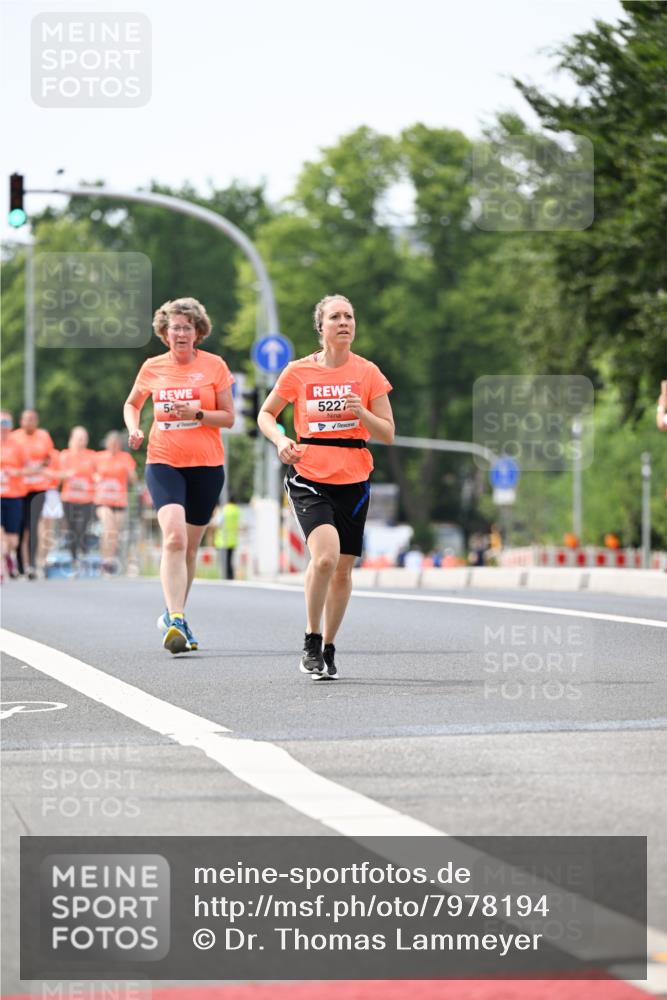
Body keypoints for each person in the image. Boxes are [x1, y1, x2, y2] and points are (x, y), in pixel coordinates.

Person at [258, 293, 394, 680]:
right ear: (321, 328)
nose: (344, 322)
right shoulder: (298, 372)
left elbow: (387, 433)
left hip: (354, 477)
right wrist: (281, 441)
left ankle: (330, 646)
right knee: (324, 558)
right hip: (309, 474)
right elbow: (267, 415)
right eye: (335, 317)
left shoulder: (368, 372)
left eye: (349, 316)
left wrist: (361, 411)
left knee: (343, 571)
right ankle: (311, 639)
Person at [123, 297, 235, 654]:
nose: (181, 332)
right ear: (164, 332)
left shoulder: (214, 366)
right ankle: (177, 618)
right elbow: (132, 403)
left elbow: (229, 417)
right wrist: (134, 428)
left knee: (189, 547)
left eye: (187, 326)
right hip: (163, 461)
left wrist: (199, 413)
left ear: (197, 331)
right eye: (174, 326)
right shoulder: (152, 367)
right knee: (173, 539)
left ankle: (174, 613)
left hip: (206, 465)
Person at [10, 409, 56, 579]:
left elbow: (49, 456)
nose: (30, 422)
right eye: (27, 419)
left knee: (33, 526)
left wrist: (42, 463)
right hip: (18, 488)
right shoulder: (14, 438)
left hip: (38, 488)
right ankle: (18, 563)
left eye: (33, 419)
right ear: (21, 421)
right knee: (19, 527)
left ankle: (30, 564)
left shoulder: (43, 436)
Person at [95, 430, 137, 574]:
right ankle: (105, 559)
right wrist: (96, 478)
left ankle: (110, 559)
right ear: (107, 444)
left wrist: (130, 472)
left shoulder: (125, 458)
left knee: (114, 532)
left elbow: (133, 479)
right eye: (111, 443)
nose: (113, 446)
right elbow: (91, 473)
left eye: (116, 444)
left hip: (119, 501)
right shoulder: (99, 457)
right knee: (109, 528)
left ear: (120, 445)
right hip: (103, 500)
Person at [57, 426, 98, 567]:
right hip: (69, 498)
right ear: (72, 439)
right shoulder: (64, 456)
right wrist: (66, 474)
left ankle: (82, 549)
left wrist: (96, 478)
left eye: (84, 438)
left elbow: (98, 473)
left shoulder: (92, 456)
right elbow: (56, 475)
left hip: (86, 499)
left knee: (82, 527)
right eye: (79, 438)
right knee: (71, 528)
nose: (82, 441)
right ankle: (74, 557)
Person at [0, 411, 26, 581]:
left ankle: (9, 556)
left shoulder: (17, 446)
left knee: (13, 541)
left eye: (7, 423)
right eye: (1, 423)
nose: (3, 427)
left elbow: (29, 468)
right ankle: (2, 569)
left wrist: (15, 471)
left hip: (14, 494)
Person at [214, 494, 241, 580]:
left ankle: (225, 577)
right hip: (233, 540)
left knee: (224, 562)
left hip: (223, 540)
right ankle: (231, 577)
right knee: (230, 561)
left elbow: (218, 522)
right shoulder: (237, 510)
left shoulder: (224, 510)